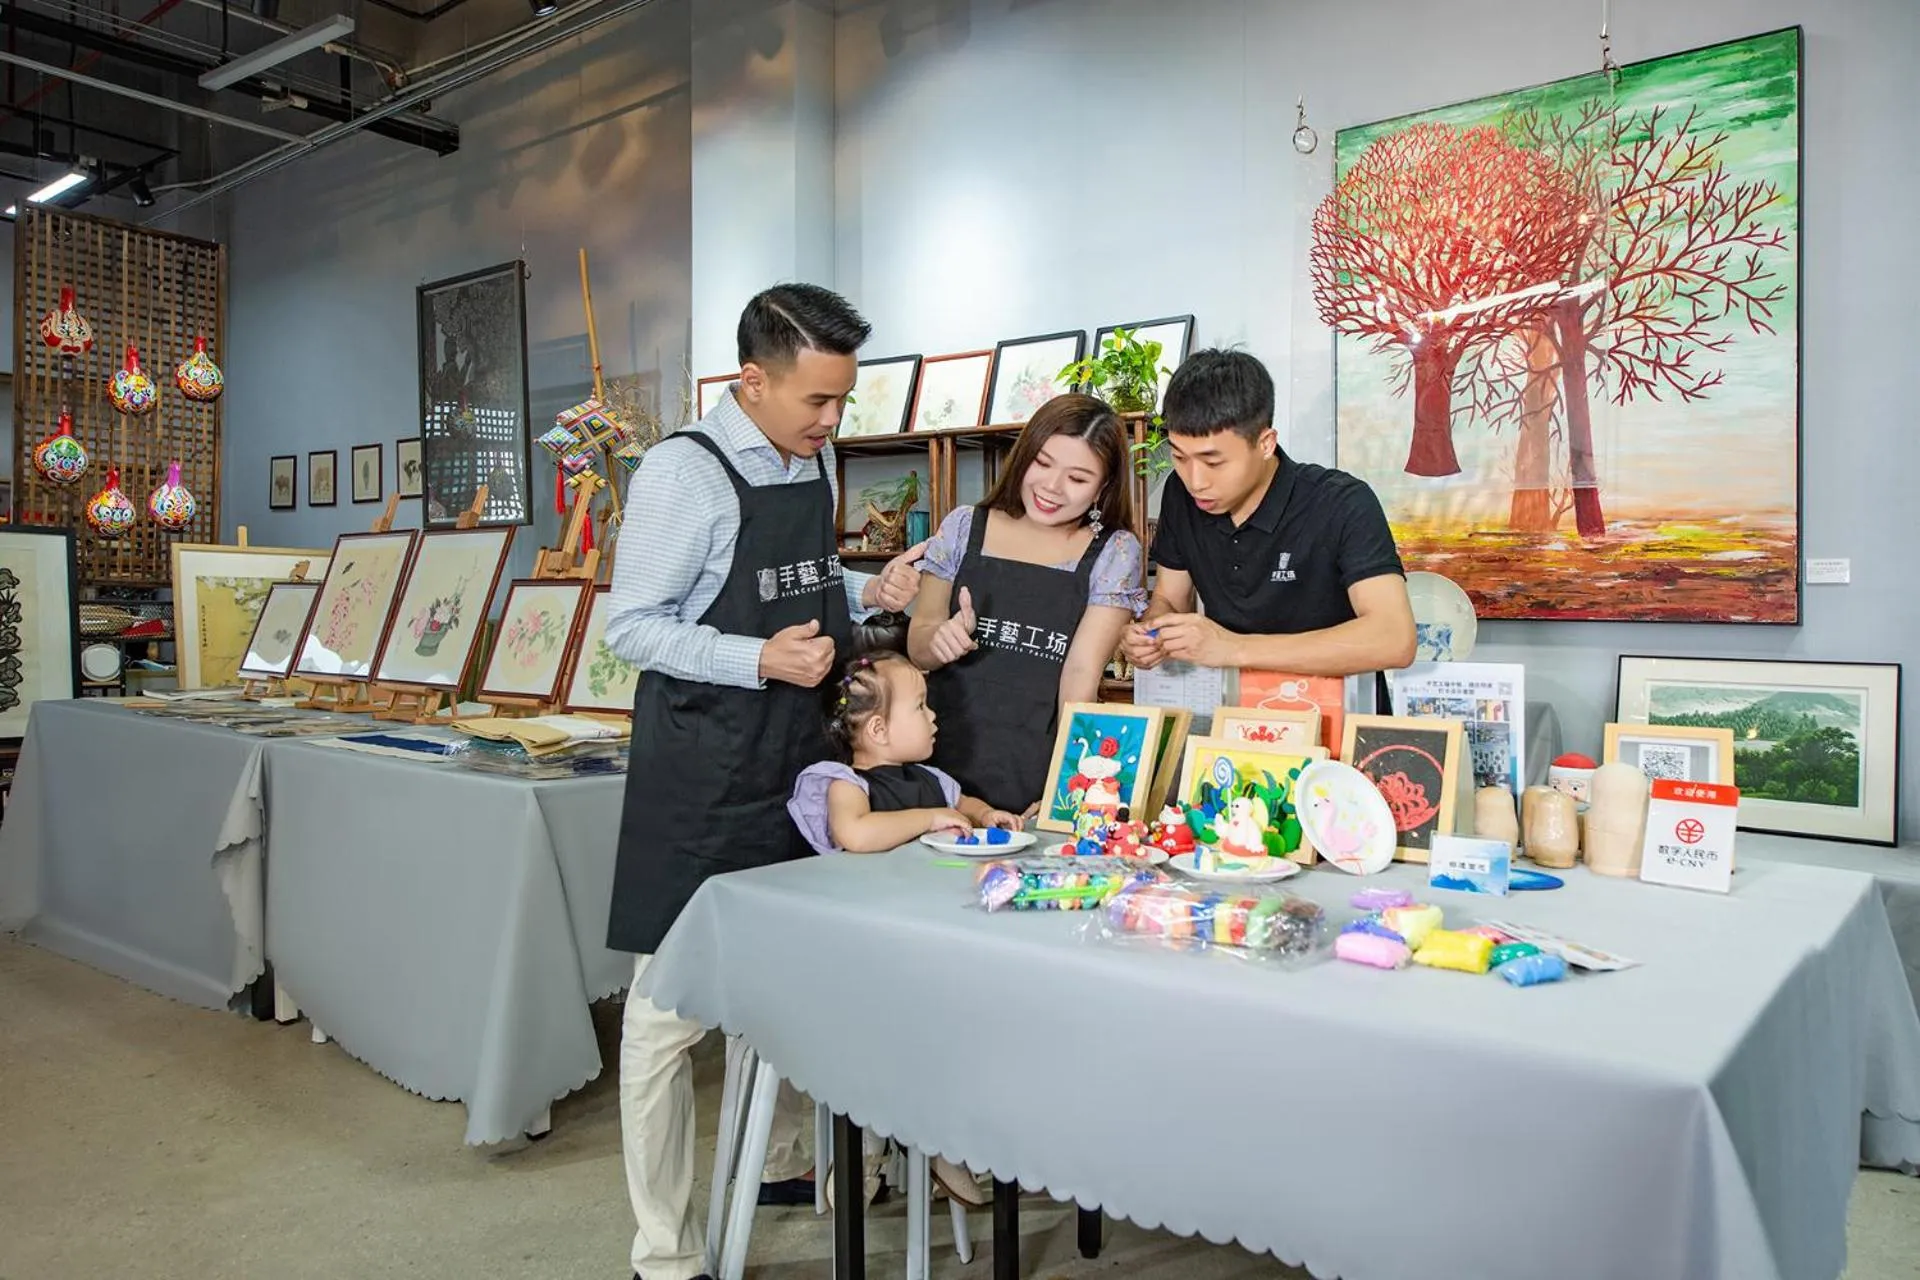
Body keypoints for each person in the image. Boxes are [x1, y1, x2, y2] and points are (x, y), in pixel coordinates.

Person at [603, 283, 926, 1280]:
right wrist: (756, 659)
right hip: (704, 768)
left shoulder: (808, 455)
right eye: (817, 402)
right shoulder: (680, 475)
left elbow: (804, 575)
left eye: (842, 402)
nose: (832, 423)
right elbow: (632, 627)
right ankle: (664, 1247)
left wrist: (869, 593)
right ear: (752, 379)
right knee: (665, 1016)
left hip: (796, 756)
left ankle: (785, 1160)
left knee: (791, 975)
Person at [906, 393, 1146, 814]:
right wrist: (938, 641)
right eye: (1042, 462)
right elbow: (918, 643)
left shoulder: (1115, 551)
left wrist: (1064, 787)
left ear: (1103, 488)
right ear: (1023, 455)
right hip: (938, 768)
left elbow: (1080, 676)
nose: (1051, 488)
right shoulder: (964, 526)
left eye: (1077, 479)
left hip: (1034, 772)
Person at [1122, 349, 1415, 677]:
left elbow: (1394, 638)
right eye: (1179, 457)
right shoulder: (1181, 494)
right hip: (1236, 713)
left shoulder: (1342, 502)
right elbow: (1169, 597)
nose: (1195, 481)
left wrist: (1233, 648)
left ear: (1265, 444)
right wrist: (1152, 631)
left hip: (1335, 714)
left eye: (1214, 462)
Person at [788, 652, 1022, 855]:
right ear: (879, 730)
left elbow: (963, 803)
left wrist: (985, 815)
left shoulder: (932, 779)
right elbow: (856, 834)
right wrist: (929, 819)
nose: (932, 715)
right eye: (920, 706)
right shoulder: (848, 786)